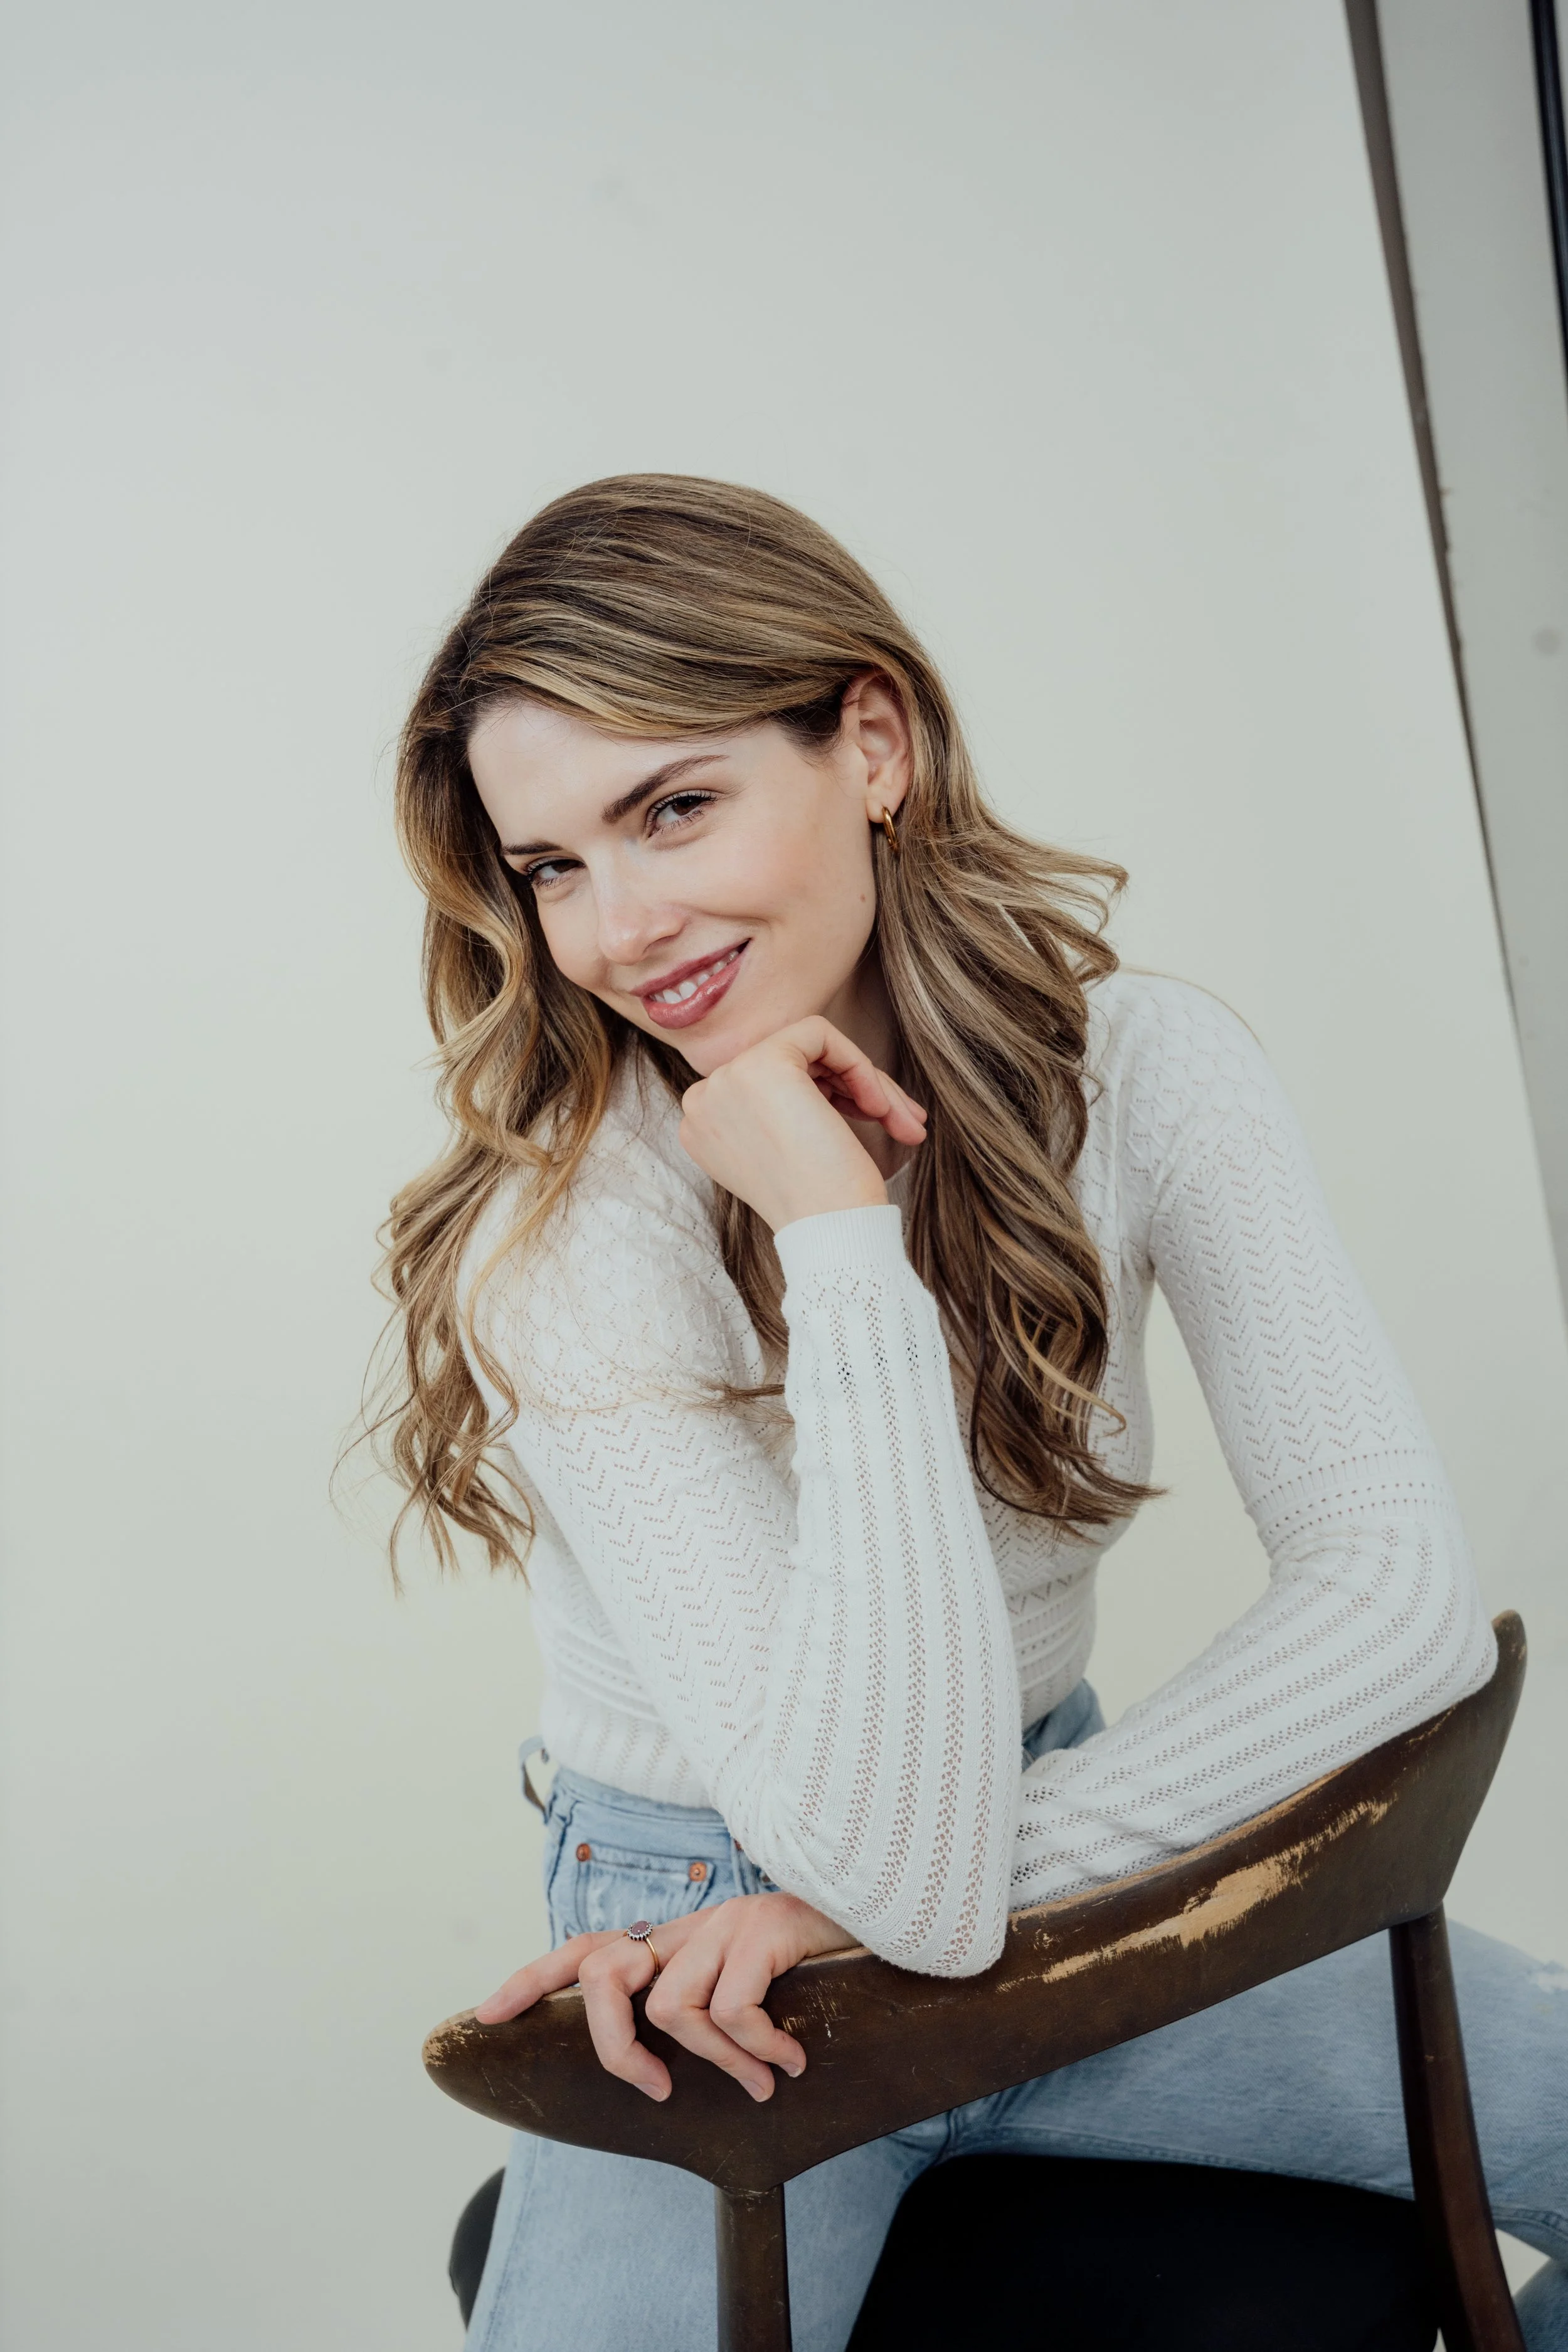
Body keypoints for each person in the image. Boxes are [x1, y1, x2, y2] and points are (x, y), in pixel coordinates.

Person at [378, 474, 1565, 2349]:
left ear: (872, 742)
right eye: (552, 868)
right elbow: (888, 1863)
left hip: (1069, 1849)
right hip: (708, 1971)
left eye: (672, 807)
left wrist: (998, 1872)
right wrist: (839, 1239)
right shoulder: (569, 1233)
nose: (621, 926)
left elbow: (1396, 1598)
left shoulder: (1147, 1068)